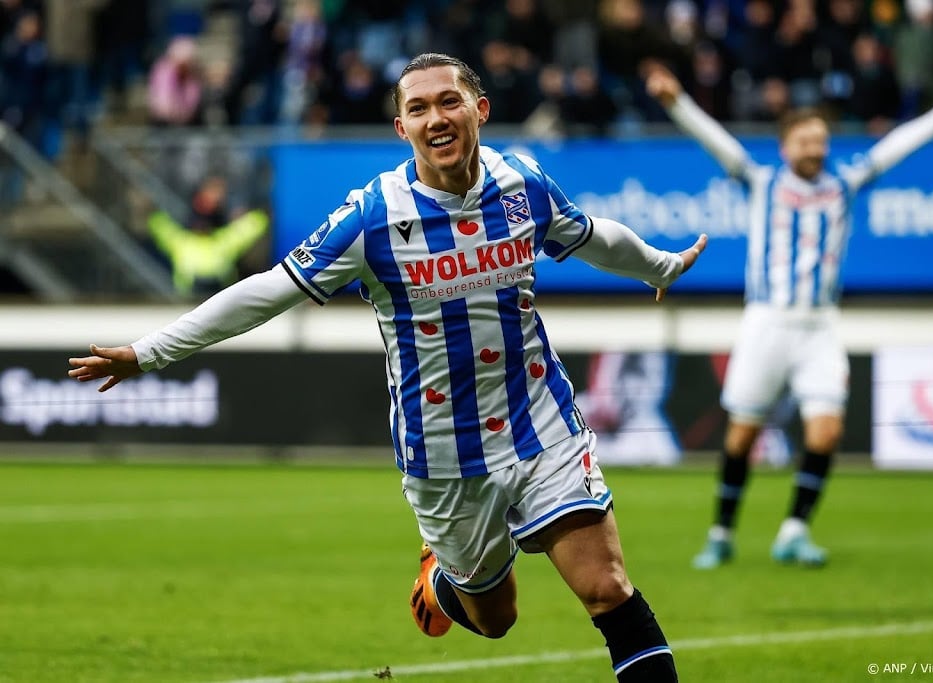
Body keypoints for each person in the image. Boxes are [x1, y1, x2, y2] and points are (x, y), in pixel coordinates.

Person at [70, 53, 708, 682]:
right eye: (418, 108)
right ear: (401, 129)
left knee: (607, 588)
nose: (437, 117)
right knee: (496, 619)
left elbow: (591, 234)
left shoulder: (523, 186)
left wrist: (660, 266)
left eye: (450, 101)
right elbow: (268, 290)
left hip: (541, 423)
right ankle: (442, 578)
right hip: (441, 454)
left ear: (479, 110)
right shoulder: (373, 216)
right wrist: (151, 351)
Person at [645, 66, 933, 569]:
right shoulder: (762, 182)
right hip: (767, 321)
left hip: (820, 324)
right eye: (806, 140)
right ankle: (721, 532)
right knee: (742, 435)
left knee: (826, 432)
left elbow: (899, 145)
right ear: (786, 147)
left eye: (822, 140)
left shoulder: (843, 185)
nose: (816, 148)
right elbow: (717, 143)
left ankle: (794, 529)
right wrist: (676, 103)